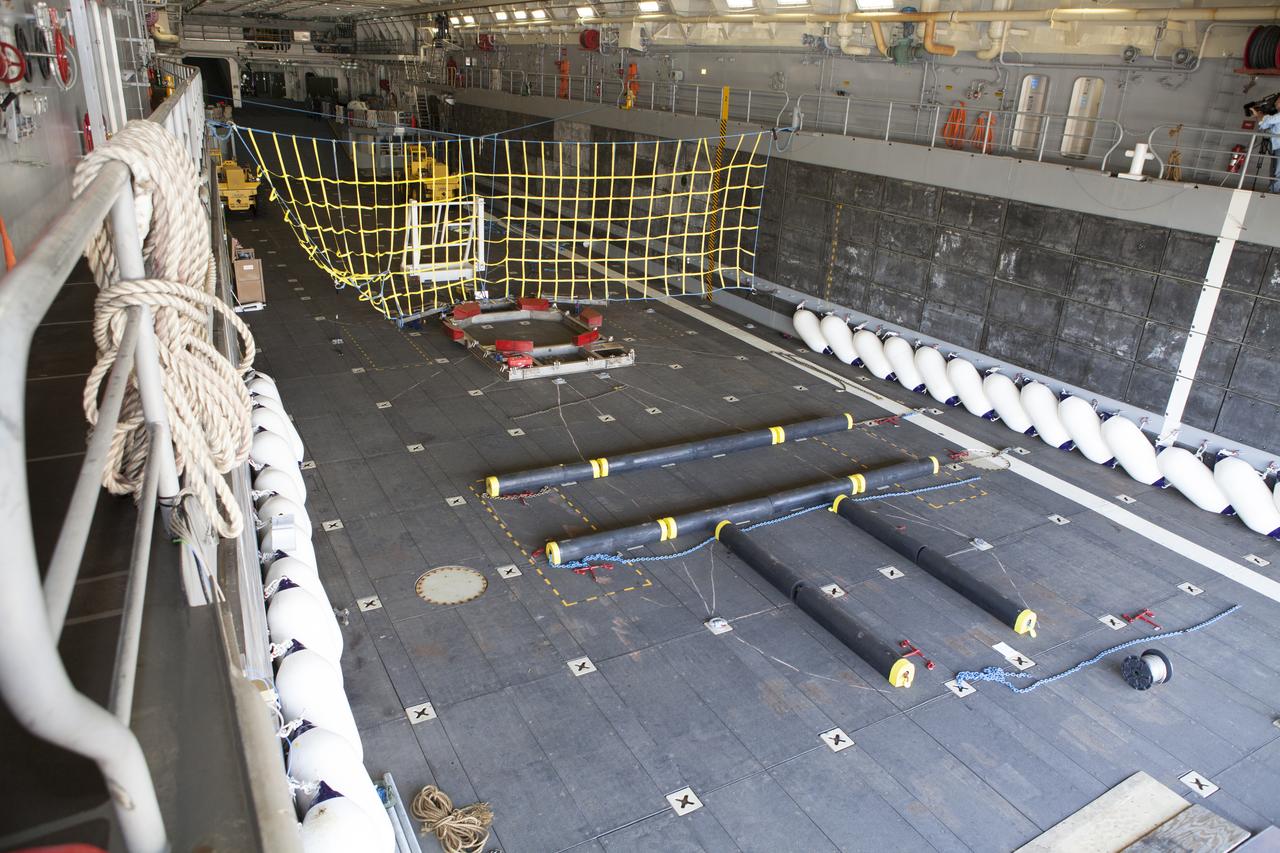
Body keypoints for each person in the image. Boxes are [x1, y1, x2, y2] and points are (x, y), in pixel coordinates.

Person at [1249, 103, 1280, 192]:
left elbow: (1268, 120)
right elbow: (1264, 125)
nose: (1275, 103)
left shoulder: (1278, 116)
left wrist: (1258, 114)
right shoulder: (1276, 115)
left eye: (1278, 100)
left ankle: (1275, 192)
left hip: (1278, 146)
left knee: (1278, 171)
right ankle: (1273, 190)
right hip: (1276, 146)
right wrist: (1258, 115)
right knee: (1274, 169)